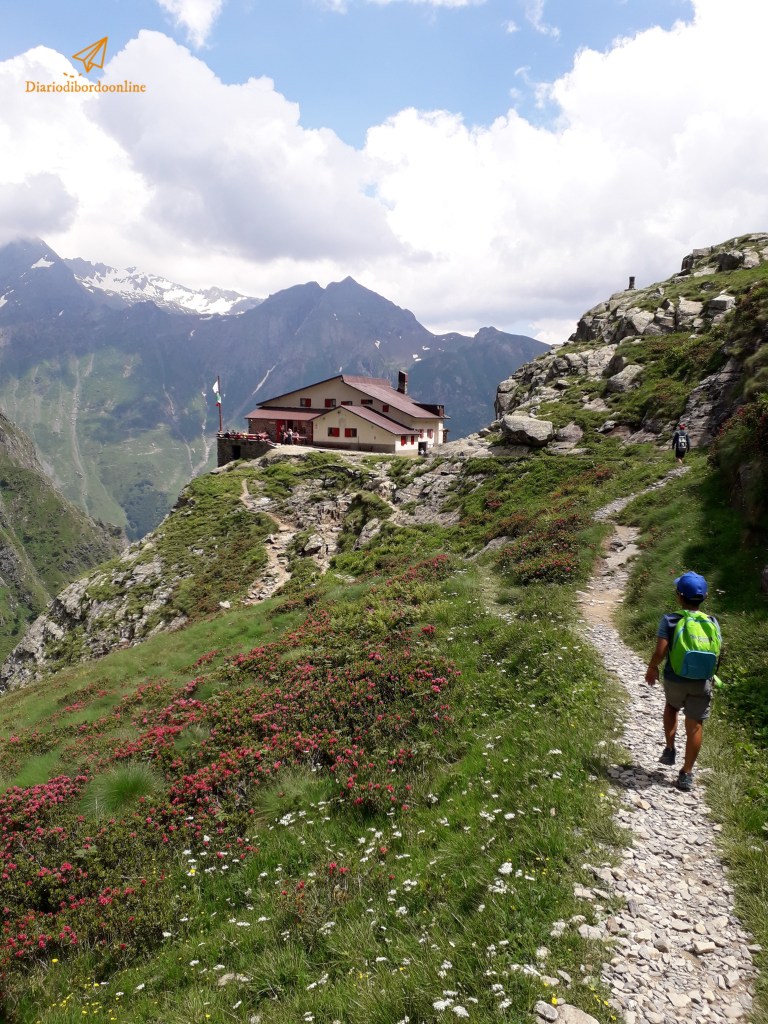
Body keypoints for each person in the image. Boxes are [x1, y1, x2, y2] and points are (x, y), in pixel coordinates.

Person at [644, 571, 721, 792]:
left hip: (674, 678)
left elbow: (661, 650)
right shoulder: (712, 622)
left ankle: (670, 748)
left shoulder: (670, 619)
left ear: (679, 596)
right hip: (701, 681)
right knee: (696, 724)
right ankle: (686, 773)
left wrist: (652, 668)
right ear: (705, 596)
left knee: (671, 706)